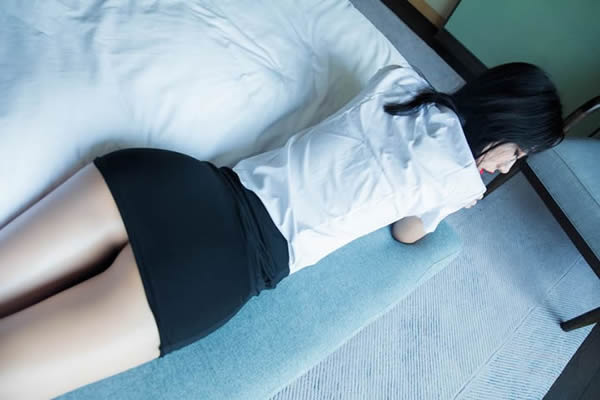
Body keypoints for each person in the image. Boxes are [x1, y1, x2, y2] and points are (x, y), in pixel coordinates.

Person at [0, 62, 563, 398]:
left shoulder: (397, 83)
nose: (507, 167)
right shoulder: (460, 184)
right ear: (505, 132)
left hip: (173, 180)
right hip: (223, 265)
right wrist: (468, 185)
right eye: (517, 153)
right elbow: (409, 233)